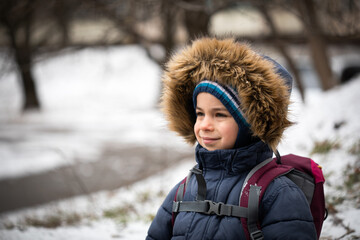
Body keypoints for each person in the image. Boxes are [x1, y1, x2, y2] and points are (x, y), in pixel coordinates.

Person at [146, 37, 317, 239]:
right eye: (200, 114)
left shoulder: (278, 194)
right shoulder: (185, 189)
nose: (205, 125)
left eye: (219, 115)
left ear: (251, 124)